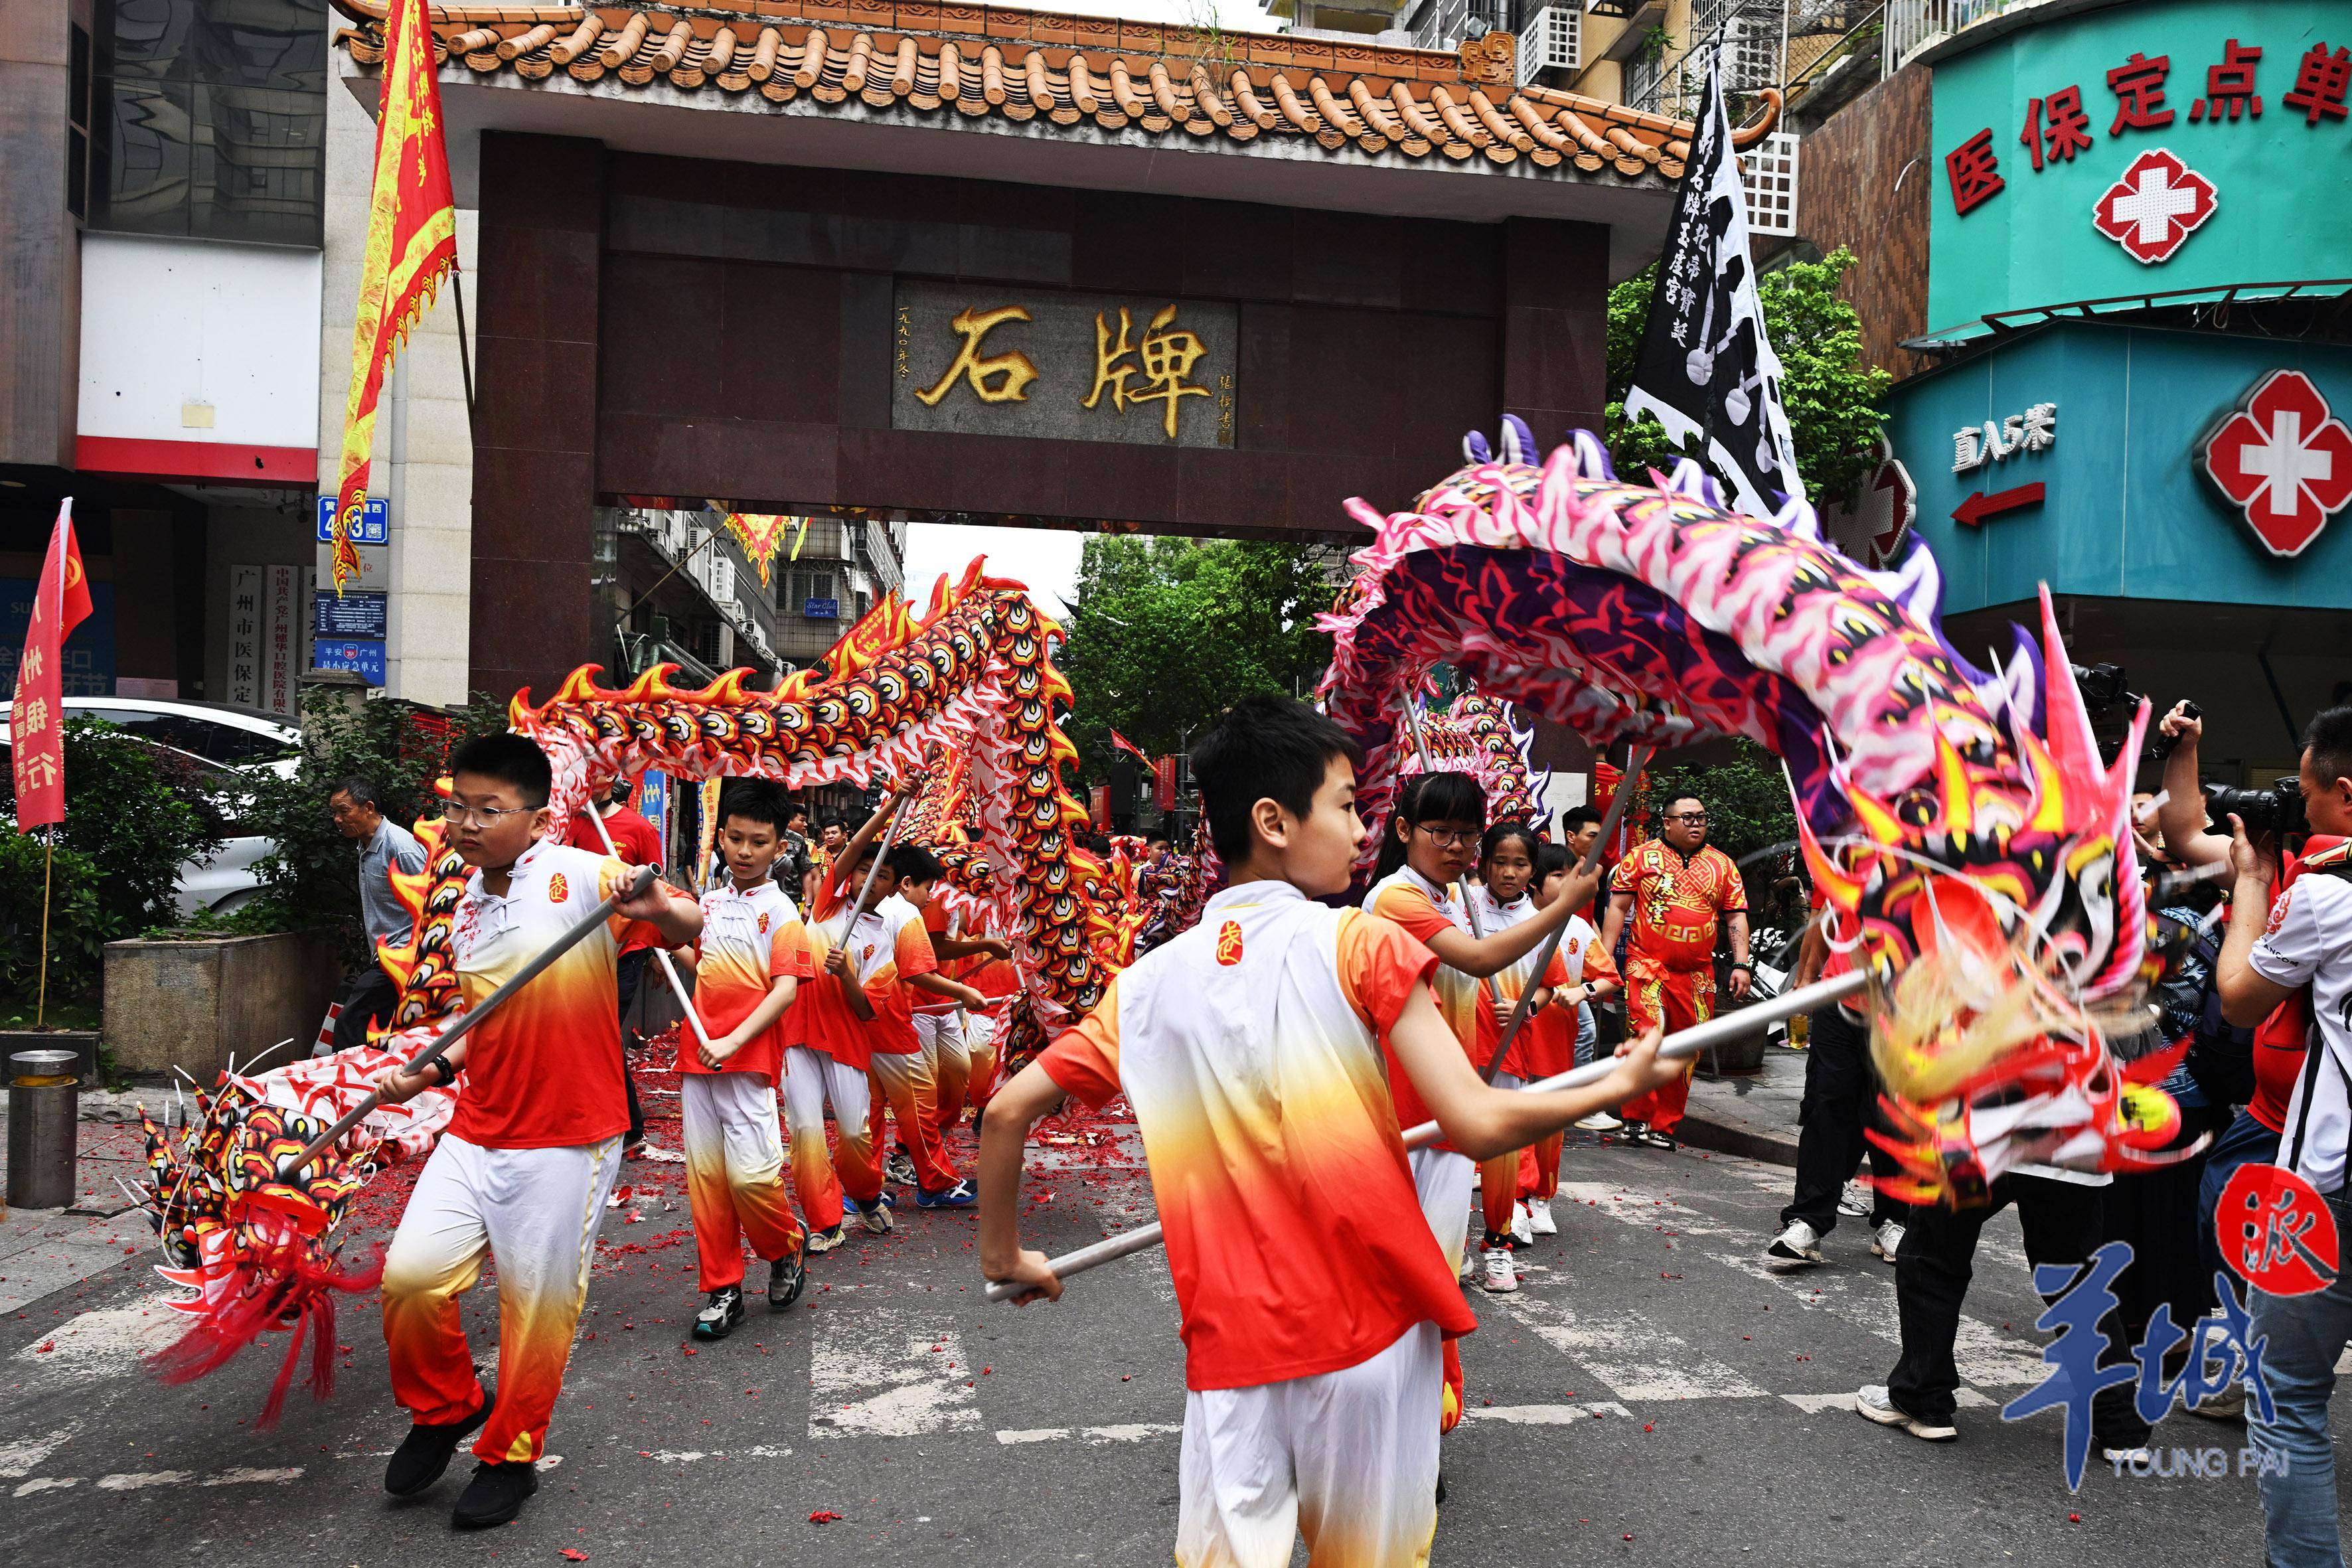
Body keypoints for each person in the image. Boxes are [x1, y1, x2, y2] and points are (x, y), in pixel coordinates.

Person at [976, 696, 1670, 1568]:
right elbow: (1476, 1118)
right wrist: (1615, 1080)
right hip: (1370, 1337)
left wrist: (1006, 1259)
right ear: (1272, 819)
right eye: (1344, 804)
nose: (1359, 827)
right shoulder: (1360, 943)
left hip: (1231, 1351)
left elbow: (1005, 1114)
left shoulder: (1147, 985)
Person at [370, 734, 701, 1529]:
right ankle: (448, 1404)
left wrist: (657, 905)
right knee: (410, 1281)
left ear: (539, 815)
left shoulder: (581, 875)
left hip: (567, 1136)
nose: (466, 823)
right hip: (478, 1125)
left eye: (489, 809)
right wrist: (428, 1069)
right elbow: (479, 1022)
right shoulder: (464, 903)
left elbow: (688, 920)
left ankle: (510, 1456)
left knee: (536, 1305)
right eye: (458, 806)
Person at [1363, 771, 1602, 1419]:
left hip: (1446, 1109)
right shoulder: (1395, 899)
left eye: (1468, 834)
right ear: (1404, 830)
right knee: (1413, 1275)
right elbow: (1474, 958)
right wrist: (1563, 905)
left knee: (1433, 1267)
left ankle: (1423, 1411)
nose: (1457, 846)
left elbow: (1472, 976)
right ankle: (1407, 1418)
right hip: (1404, 1114)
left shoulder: (1450, 895)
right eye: (1440, 831)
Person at [2215, 704, 2352, 1566]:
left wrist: (2247, 883)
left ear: (2343, 792)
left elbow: (2237, 995)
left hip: (2323, 1190)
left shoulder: (2328, 891)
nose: (2298, 816)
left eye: (2305, 801)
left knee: (2285, 1398)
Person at [670, 779, 811, 1342]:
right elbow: (700, 962)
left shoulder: (783, 913)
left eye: (758, 841)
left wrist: (732, 1042)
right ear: (720, 838)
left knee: (752, 1180)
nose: (744, 851)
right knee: (707, 1182)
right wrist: (664, 945)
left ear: (779, 847)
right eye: (735, 839)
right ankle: (722, 1288)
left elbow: (784, 991)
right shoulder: (706, 903)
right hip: (696, 1056)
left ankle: (785, 1247)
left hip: (746, 1060)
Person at [1767, 868, 1912, 1271]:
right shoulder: (1847, 851)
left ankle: (1896, 1222)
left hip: (1908, 1010)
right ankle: (1808, 1222)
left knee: (1893, 1117)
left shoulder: (1936, 849)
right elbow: (1826, 914)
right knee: (1826, 1108)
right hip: (1841, 998)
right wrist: (1808, 977)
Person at [1598, 792, 1752, 1150]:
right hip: (1646, 966)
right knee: (1645, 1035)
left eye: (1701, 817)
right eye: (1688, 817)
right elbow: (1618, 907)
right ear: (1667, 822)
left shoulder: (1723, 865)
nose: (1696, 823)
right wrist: (1605, 957)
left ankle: (1663, 1125)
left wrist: (1742, 963)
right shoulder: (1641, 857)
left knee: (1685, 1047)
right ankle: (1636, 1118)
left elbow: (1736, 916)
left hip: (1698, 975)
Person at [842, 840, 988, 1194]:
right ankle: (936, 1184)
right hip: (891, 1024)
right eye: (927, 889)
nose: (928, 898)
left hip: (859, 1023)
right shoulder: (904, 914)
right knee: (919, 1102)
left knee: (870, 1110)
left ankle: (863, 1189)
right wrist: (964, 993)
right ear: (904, 883)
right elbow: (917, 972)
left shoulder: (857, 909)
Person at [1466, 823, 1571, 1291]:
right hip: (1452, 1050)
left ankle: (1498, 1246)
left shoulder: (1541, 922)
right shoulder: (1458, 909)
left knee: (1502, 1156)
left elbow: (1551, 984)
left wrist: (1527, 1006)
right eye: (1500, 861)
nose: (1509, 872)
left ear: (1532, 870)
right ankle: (1450, 1248)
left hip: (1508, 1053)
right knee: (1449, 1158)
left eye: (1520, 863)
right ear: (1483, 862)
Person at [562, 776, 665, 1153]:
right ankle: (607, 1121)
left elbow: (659, 892)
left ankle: (627, 1126)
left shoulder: (637, 828)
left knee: (600, 1031)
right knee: (582, 1033)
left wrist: (655, 951)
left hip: (625, 947)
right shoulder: (564, 822)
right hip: (577, 947)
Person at [898, 860, 1015, 1141]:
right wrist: (986, 945)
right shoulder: (939, 897)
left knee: (958, 1073)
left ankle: (937, 1141)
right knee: (926, 1083)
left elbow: (962, 928)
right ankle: (909, 1151)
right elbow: (937, 948)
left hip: (946, 1002)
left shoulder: (966, 898)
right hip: (923, 1004)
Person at [327, 777, 428, 1054]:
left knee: (351, 1021)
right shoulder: (366, 844)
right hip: (384, 956)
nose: (337, 819)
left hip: (404, 955)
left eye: (344, 811)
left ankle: (341, 1086)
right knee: (382, 1030)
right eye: (335, 813)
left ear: (369, 808)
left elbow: (429, 903)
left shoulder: (401, 847)